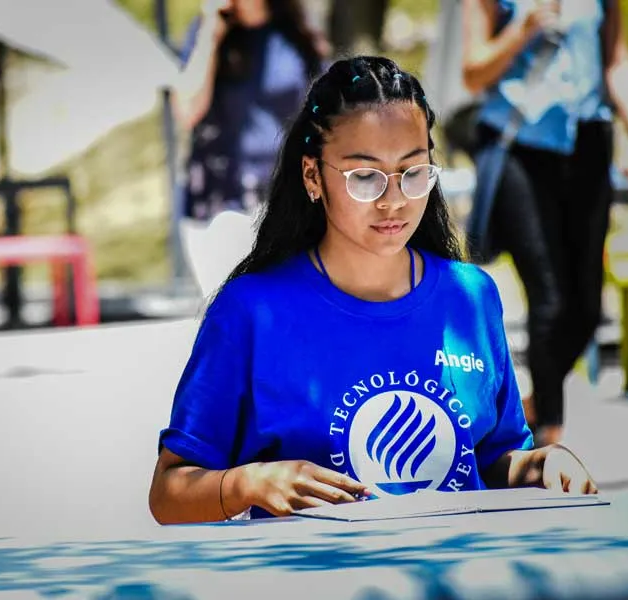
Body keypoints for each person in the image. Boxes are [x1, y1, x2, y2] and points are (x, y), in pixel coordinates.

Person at [148, 56, 598, 525]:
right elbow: (169, 492)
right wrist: (248, 483)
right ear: (312, 176)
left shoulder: (471, 296)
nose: (394, 199)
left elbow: (495, 457)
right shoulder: (250, 312)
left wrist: (541, 463)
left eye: (414, 172)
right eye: (365, 176)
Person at [461, 0, 628, 446]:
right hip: (520, 145)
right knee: (549, 300)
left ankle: (526, 407)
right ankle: (548, 440)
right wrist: (522, 29)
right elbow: (472, 73)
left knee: (585, 310)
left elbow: (616, 60)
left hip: (588, 143)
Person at [175, 0, 328, 221]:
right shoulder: (207, 32)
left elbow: (324, 111)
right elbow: (187, 111)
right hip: (221, 203)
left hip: (286, 196)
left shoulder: (297, 29)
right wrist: (210, 32)